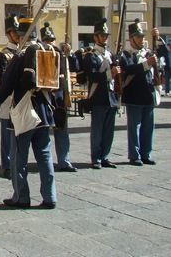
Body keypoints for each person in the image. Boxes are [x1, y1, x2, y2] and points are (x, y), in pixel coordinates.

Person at [0, 17, 57, 209]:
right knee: (44, 156)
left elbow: (6, 84)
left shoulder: (20, 56)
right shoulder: (48, 52)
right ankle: (50, 196)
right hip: (44, 112)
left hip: (24, 113)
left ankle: (21, 197)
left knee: (19, 157)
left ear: (21, 37)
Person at [120, 19, 169, 166]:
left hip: (148, 94)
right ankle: (134, 155)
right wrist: (147, 64)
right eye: (139, 37)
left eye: (142, 37)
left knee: (148, 128)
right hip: (134, 95)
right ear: (131, 38)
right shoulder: (126, 55)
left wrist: (158, 38)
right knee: (134, 128)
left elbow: (165, 52)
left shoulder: (147, 53)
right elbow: (129, 69)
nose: (142, 39)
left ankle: (146, 154)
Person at [82, 18, 120, 170]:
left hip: (110, 97)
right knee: (97, 130)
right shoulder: (91, 56)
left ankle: (105, 156)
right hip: (98, 96)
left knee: (109, 130)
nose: (104, 38)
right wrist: (111, 73)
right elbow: (92, 77)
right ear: (95, 37)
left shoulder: (110, 54)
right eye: (102, 35)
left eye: (105, 35)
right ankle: (95, 158)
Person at [40, 22, 78, 172]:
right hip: (45, 98)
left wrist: (71, 53)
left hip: (60, 97)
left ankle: (64, 160)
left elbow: (74, 67)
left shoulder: (61, 54)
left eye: (51, 40)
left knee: (62, 131)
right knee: (43, 133)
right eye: (47, 40)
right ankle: (45, 161)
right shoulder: (40, 55)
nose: (50, 43)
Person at [0, 13, 20, 179]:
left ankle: (17, 161)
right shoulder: (4, 55)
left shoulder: (24, 51)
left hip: (21, 100)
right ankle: (7, 164)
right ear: (8, 35)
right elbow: (4, 78)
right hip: (8, 99)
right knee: (7, 134)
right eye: (13, 32)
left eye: (18, 32)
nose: (16, 35)